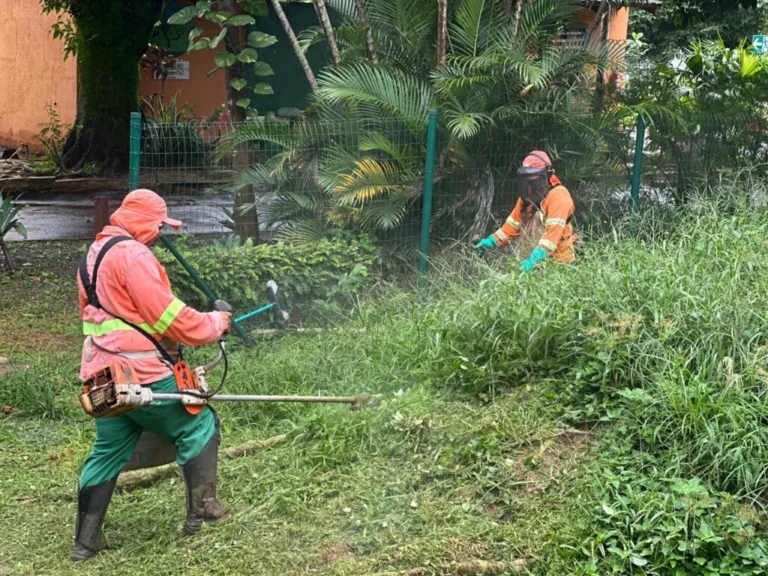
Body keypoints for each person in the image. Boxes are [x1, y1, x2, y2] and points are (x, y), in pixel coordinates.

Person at [72, 189, 232, 561]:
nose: (160, 234)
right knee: (199, 423)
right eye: (159, 226)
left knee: (107, 451)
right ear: (143, 221)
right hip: (140, 371)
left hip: (104, 375)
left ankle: (84, 542)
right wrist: (215, 324)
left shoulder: (94, 254)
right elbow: (169, 318)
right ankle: (203, 513)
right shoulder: (133, 256)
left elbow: (102, 315)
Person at [474, 151, 577, 272]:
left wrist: (533, 261)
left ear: (547, 176)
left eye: (534, 182)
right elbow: (510, 227)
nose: (530, 188)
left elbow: (551, 237)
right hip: (531, 267)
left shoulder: (559, 197)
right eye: (527, 182)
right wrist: (491, 242)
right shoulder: (527, 198)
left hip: (560, 268)